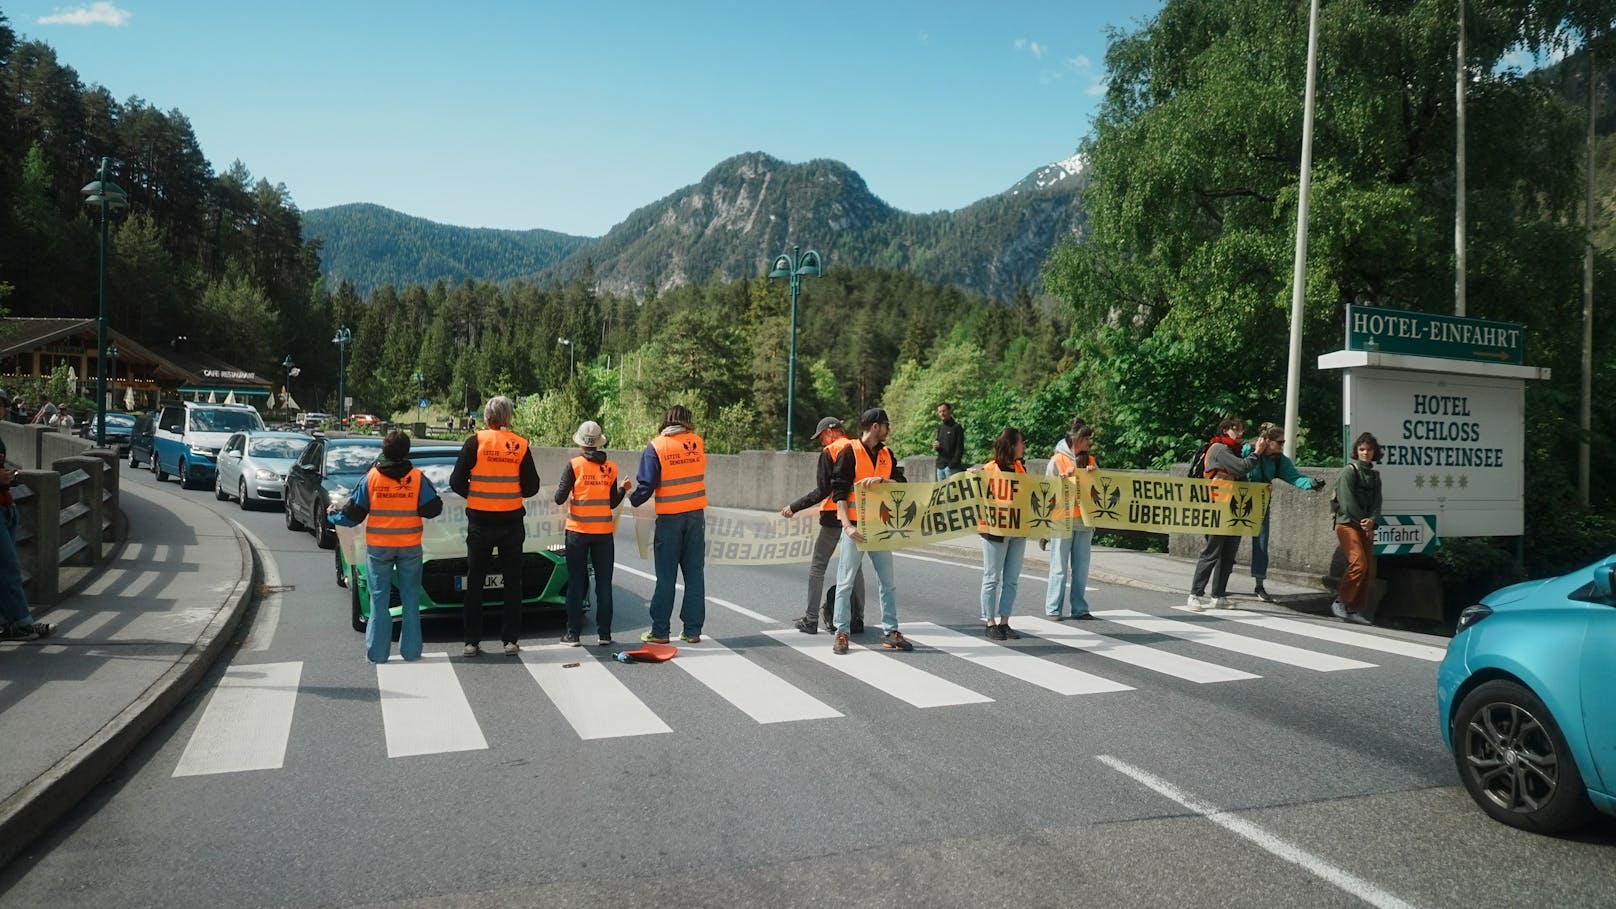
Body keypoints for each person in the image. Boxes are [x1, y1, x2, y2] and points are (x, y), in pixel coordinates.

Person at [329, 430, 443, 663]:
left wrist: (332, 517)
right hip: (410, 547)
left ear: (384, 451)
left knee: (379, 599)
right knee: (411, 598)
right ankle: (411, 652)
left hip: (379, 548)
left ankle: (378, 654)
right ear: (407, 452)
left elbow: (353, 515)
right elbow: (434, 508)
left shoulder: (371, 478)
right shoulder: (417, 478)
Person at [449, 395, 540, 657]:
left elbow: (456, 481)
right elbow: (532, 487)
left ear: (487, 418)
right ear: (508, 418)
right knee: (513, 583)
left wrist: (477, 495)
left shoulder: (475, 442)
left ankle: (471, 642)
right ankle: (510, 640)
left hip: (479, 522)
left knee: (475, 581)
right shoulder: (520, 445)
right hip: (511, 523)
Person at [828, 408, 913, 655]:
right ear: (875, 426)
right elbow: (839, 493)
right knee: (845, 583)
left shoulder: (887, 454)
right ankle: (841, 633)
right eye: (886, 425)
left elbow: (903, 486)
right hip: (855, 527)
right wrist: (847, 526)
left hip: (880, 528)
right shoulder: (849, 452)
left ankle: (891, 632)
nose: (889, 429)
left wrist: (884, 482)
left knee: (888, 584)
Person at [628, 405, 707, 644]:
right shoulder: (697, 443)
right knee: (694, 575)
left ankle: (660, 631)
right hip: (695, 517)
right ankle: (692, 631)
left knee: (666, 577)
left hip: (670, 520)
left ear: (666, 421)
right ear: (687, 421)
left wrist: (633, 498)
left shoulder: (657, 447)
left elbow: (647, 483)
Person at [780, 416, 866, 635]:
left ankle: (810, 620)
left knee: (818, 566)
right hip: (858, 516)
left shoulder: (832, 451)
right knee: (854, 568)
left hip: (833, 515)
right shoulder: (859, 448)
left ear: (830, 432)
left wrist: (794, 506)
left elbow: (823, 490)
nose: (822, 442)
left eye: (821, 437)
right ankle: (858, 619)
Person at [553, 420, 630, 646]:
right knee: (604, 584)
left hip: (577, 533)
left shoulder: (574, 465)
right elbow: (612, 502)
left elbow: (559, 497)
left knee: (576, 583)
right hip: (603, 534)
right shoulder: (611, 468)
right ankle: (604, 634)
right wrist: (623, 489)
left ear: (581, 443)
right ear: (598, 443)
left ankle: (573, 634)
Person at [1187, 417, 1273, 611]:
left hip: (1233, 509)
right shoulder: (1219, 449)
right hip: (1216, 507)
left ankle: (1218, 595)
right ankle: (1195, 594)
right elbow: (1242, 467)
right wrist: (1258, 452)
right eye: (1237, 430)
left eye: (1242, 430)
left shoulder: (1232, 450)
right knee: (1211, 552)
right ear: (1225, 430)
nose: (1240, 434)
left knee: (1228, 555)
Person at [1243, 422, 1317, 602]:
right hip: (1237, 501)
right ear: (1267, 441)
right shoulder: (1246, 450)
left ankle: (1259, 585)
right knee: (1227, 542)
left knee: (1261, 543)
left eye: (1283, 442)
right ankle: (1218, 584)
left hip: (1260, 503)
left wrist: (1312, 484)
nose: (1283, 445)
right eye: (1280, 442)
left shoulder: (1278, 460)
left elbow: (1295, 477)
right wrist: (1257, 453)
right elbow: (1237, 467)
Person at [0, 395, 54, 641]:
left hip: (6, 506)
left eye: (3, 404)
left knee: (8, 569)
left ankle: (9, 623)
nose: (3, 409)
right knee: (9, 569)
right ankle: (22, 623)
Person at [977, 426, 1028, 639]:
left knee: (1012, 579)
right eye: (1021, 442)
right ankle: (989, 622)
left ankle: (1004, 621)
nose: (1024, 446)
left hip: (1017, 529)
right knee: (991, 577)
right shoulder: (989, 468)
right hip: (994, 531)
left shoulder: (1020, 469)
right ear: (1012, 445)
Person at [1045, 418, 1098, 620]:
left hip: (1084, 520)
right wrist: (1062, 478)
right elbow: (1047, 490)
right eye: (1087, 439)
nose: (1089, 443)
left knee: (1081, 567)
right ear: (1078, 439)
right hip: (1062, 518)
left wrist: (1094, 475)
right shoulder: (1056, 461)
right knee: (1058, 566)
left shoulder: (1090, 460)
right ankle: (1053, 608)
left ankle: (1079, 608)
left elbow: (1099, 489)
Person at [1330, 432, 1382, 626]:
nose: (1365, 453)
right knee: (1358, 563)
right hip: (1347, 524)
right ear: (1356, 451)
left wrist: (1373, 521)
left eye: (1369, 449)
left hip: (1366, 526)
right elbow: (1347, 502)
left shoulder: (1375, 476)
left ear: (1374, 452)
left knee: (1367, 568)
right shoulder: (1349, 471)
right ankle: (1340, 601)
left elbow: (1377, 503)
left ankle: (1353, 608)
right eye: (1362, 449)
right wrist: (1365, 522)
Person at [933, 402, 966, 479]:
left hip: (952, 468)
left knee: (952, 491)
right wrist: (937, 447)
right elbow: (941, 447)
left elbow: (960, 448)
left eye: (944, 411)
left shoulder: (957, 427)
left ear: (949, 411)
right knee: (941, 491)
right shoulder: (940, 427)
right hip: (940, 467)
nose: (942, 414)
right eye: (940, 412)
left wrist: (951, 465)